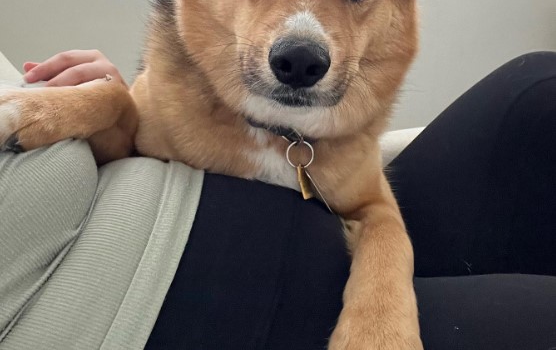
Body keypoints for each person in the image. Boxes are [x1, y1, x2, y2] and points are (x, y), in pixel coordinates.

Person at [2, 49, 556, 350]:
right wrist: (105, 107)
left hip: (313, 208)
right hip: (155, 295)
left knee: (539, 93)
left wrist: (112, 100)